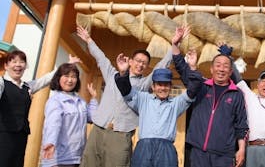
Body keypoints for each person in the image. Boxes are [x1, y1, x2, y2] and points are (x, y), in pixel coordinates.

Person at [76, 25, 173, 167]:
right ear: (131, 61)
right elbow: (101, 58)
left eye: (144, 63)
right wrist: (89, 39)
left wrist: (175, 45)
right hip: (98, 129)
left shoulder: (144, 85)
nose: (140, 65)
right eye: (138, 61)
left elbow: (161, 66)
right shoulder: (112, 74)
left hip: (121, 134)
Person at [114, 29, 203, 167]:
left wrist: (192, 67)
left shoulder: (175, 104)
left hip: (166, 149)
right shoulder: (143, 99)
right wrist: (123, 72)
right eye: (159, 85)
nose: (162, 88)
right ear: (153, 87)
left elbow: (193, 90)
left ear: (170, 87)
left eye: (166, 85)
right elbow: (126, 91)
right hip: (144, 148)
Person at [171, 26, 249, 167]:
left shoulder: (237, 94)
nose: (221, 69)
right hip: (198, 151)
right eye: (218, 65)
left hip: (224, 155)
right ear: (211, 69)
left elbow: (241, 125)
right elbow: (182, 68)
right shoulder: (201, 85)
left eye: (225, 66)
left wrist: (242, 149)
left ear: (231, 71)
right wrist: (175, 45)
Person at [0, 50, 79, 167]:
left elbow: (45, 80)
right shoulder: (1, 82)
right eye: (14, 61)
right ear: (6, 66)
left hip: (21, 135)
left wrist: (68, 64)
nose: (18, 65)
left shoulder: (28, 87)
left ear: (25, 66)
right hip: (3, 134)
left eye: (22, 62)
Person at [41, 62, 99, 167]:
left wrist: (94, 99)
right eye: (66, 76)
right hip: (59, 158)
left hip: (77, 157)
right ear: (58, 78)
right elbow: (53, 123)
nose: (70, 80)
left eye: (73, 77)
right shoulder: (55, 101)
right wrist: (50, 142)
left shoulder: (80, 101)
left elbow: (93, 118)